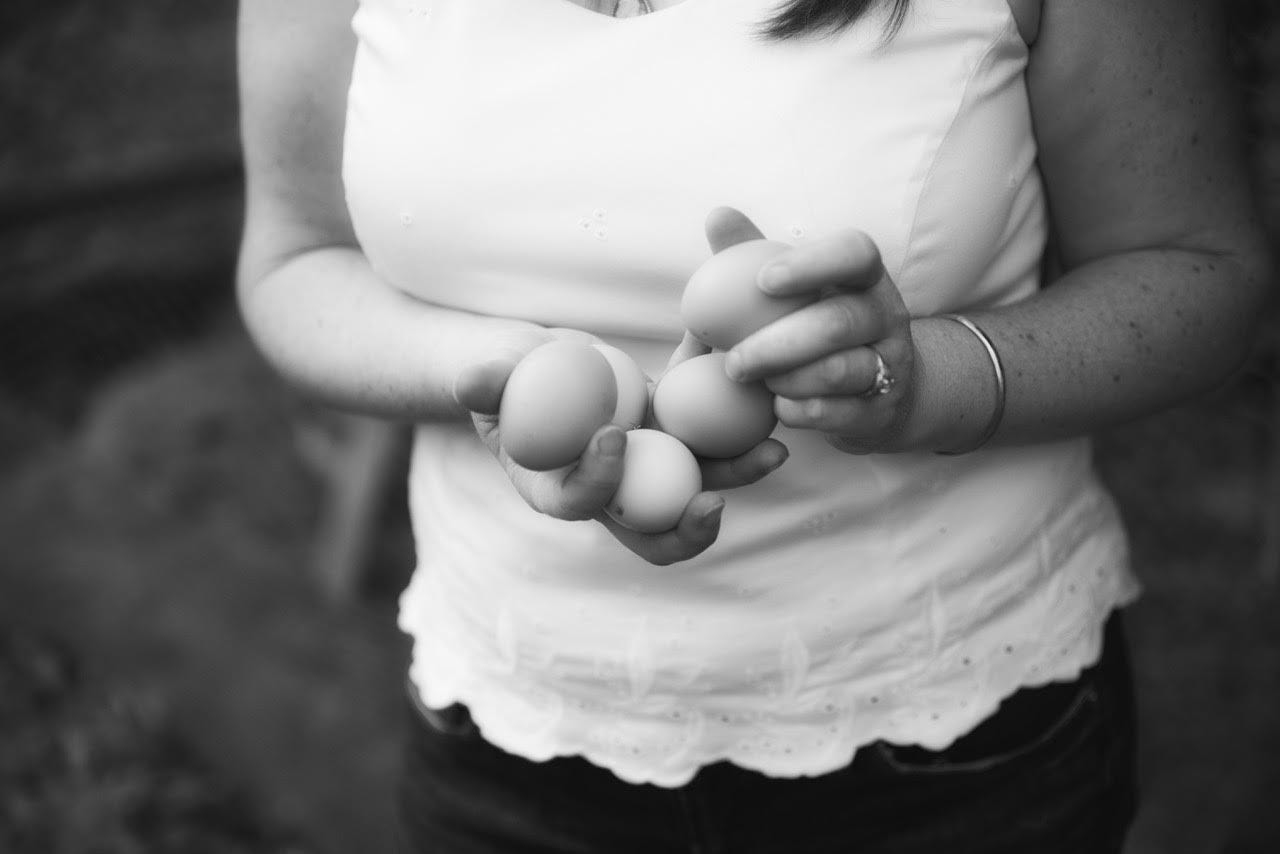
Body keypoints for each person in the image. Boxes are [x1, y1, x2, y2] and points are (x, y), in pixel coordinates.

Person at [235, 0, 1271, 850]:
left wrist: (924, 383)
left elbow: (1198, 269)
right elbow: (292, 260)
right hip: (513, 719)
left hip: (951, 737)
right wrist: (486, 373)